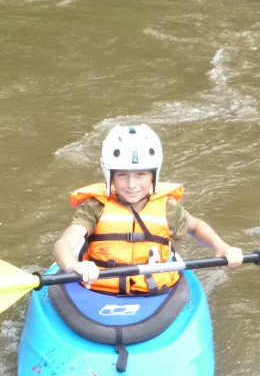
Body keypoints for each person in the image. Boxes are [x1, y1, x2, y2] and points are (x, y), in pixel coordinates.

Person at [52, 124, 244, 294]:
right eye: (122, 175)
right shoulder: (95, 206)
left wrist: (221, 246)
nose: (132, 184)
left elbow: (195, 227)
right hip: (95, 288)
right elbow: (63, 244)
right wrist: (72, 265)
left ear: (153, 175)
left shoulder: (168, 208)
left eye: (141, 174)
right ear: (110, 175)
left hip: (155, 290)